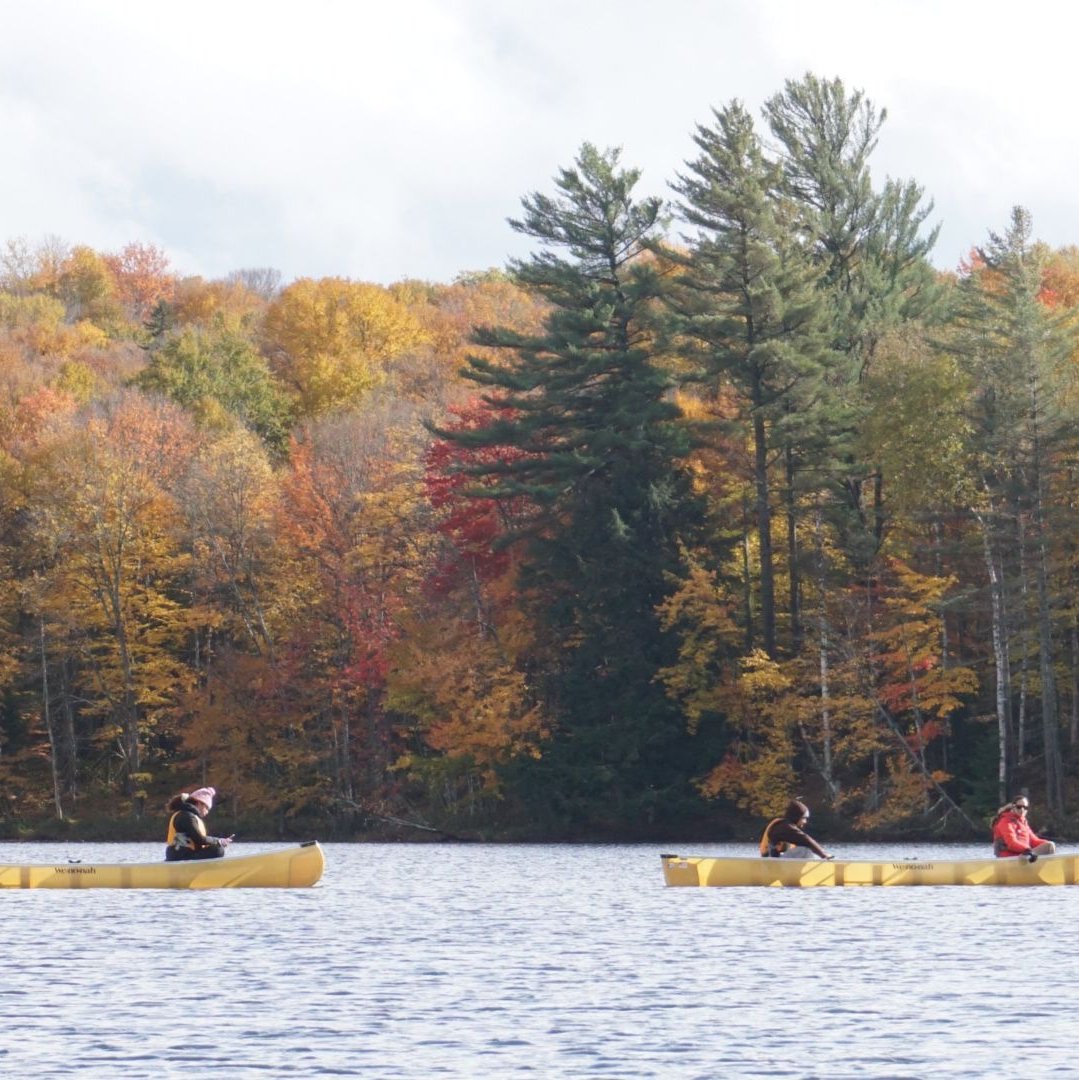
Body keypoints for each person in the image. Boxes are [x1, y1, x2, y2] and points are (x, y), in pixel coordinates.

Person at [164, 786, 234, 862]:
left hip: (184, 854)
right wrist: (219, 841)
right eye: (206, 808)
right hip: (180, 856)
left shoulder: (188, 815)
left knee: (216, 848)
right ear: (199, 803)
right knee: (218, 850)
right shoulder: (186, 816)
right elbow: (199, 839)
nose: (206, 812)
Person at [759, 798, 834, 860]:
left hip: (772, 863)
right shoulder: (786, 828)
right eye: (804, 818)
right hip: (771, 864)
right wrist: (824, 855)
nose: (805, 822)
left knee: (804, 848)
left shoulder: (783, 825)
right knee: (805, 850)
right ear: (797, 816)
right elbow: (806, 840)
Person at [991, 796, 1055, 861]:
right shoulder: (1005, 821)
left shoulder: (1023, 822)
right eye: (1019, 807)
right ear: (1013, 807)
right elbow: (1011, 843)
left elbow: (1033, 841)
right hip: (1008, 859)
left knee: (1050, 845)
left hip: (1024, 855)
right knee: (1049, 846)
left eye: (1025, 807)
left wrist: (1047, 843)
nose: (1022, 810)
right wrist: (1027, 850)